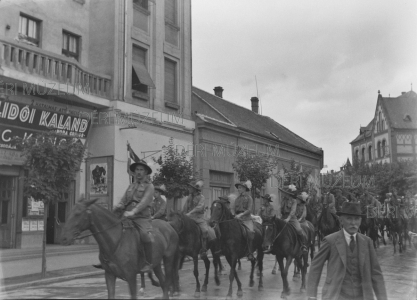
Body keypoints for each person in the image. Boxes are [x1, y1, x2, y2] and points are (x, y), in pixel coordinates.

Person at [307, 202, 388, 300]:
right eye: (349, 218)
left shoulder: (367, 242)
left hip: (362, 296)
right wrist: (311, 296)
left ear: (361, 221)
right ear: (341, 220)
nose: (353, 223)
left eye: (356, 219)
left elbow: (376, 273)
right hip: (336, 295)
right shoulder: (330, 241)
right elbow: (316, 267)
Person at [93, 160, 154, 272]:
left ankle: (148, 263)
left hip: (141, 217)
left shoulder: (150, 187)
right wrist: (117, 207)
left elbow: (144, 202)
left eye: (141, 170)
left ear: (146, 172)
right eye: (137, 170)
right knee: (109, 232)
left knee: (145, 235)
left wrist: (133, 211)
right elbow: (124, 200)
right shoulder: (131, 186)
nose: (138, 172)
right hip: (127, 215)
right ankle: (105, 259)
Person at [183, 180, 208, 258]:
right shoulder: (189, 197)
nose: (189, 188)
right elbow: (185, 207)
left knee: (205, 230)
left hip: (199, 218)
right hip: (190, 218)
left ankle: (203, 249)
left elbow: (199, 207)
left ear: (195, 189)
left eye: (190, 187)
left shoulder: (201, 197)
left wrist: (190, 213)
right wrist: (182, 214)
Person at [279, 186, 308, 253]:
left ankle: (303, 245)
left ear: (288, 194)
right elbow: (280, 208)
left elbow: (293, 211)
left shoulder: (293, 201)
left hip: (292, 218)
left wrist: (288, 219)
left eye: (284, 193)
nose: (283, 194)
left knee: (299, 229)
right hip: (283, 217)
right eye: (283, 193)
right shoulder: (283, 200)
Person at [234, 180, 256, 261]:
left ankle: (250, 253)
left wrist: (241, 214)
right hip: (237, 218)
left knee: (250, 233)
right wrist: (234, 215)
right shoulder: (237, 198)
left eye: (240, 188)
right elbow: (234, 209)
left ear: (244, 189)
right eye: (238, 188)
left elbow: (249, 210)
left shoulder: (249, 198)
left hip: (246, 219)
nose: (238, 189)